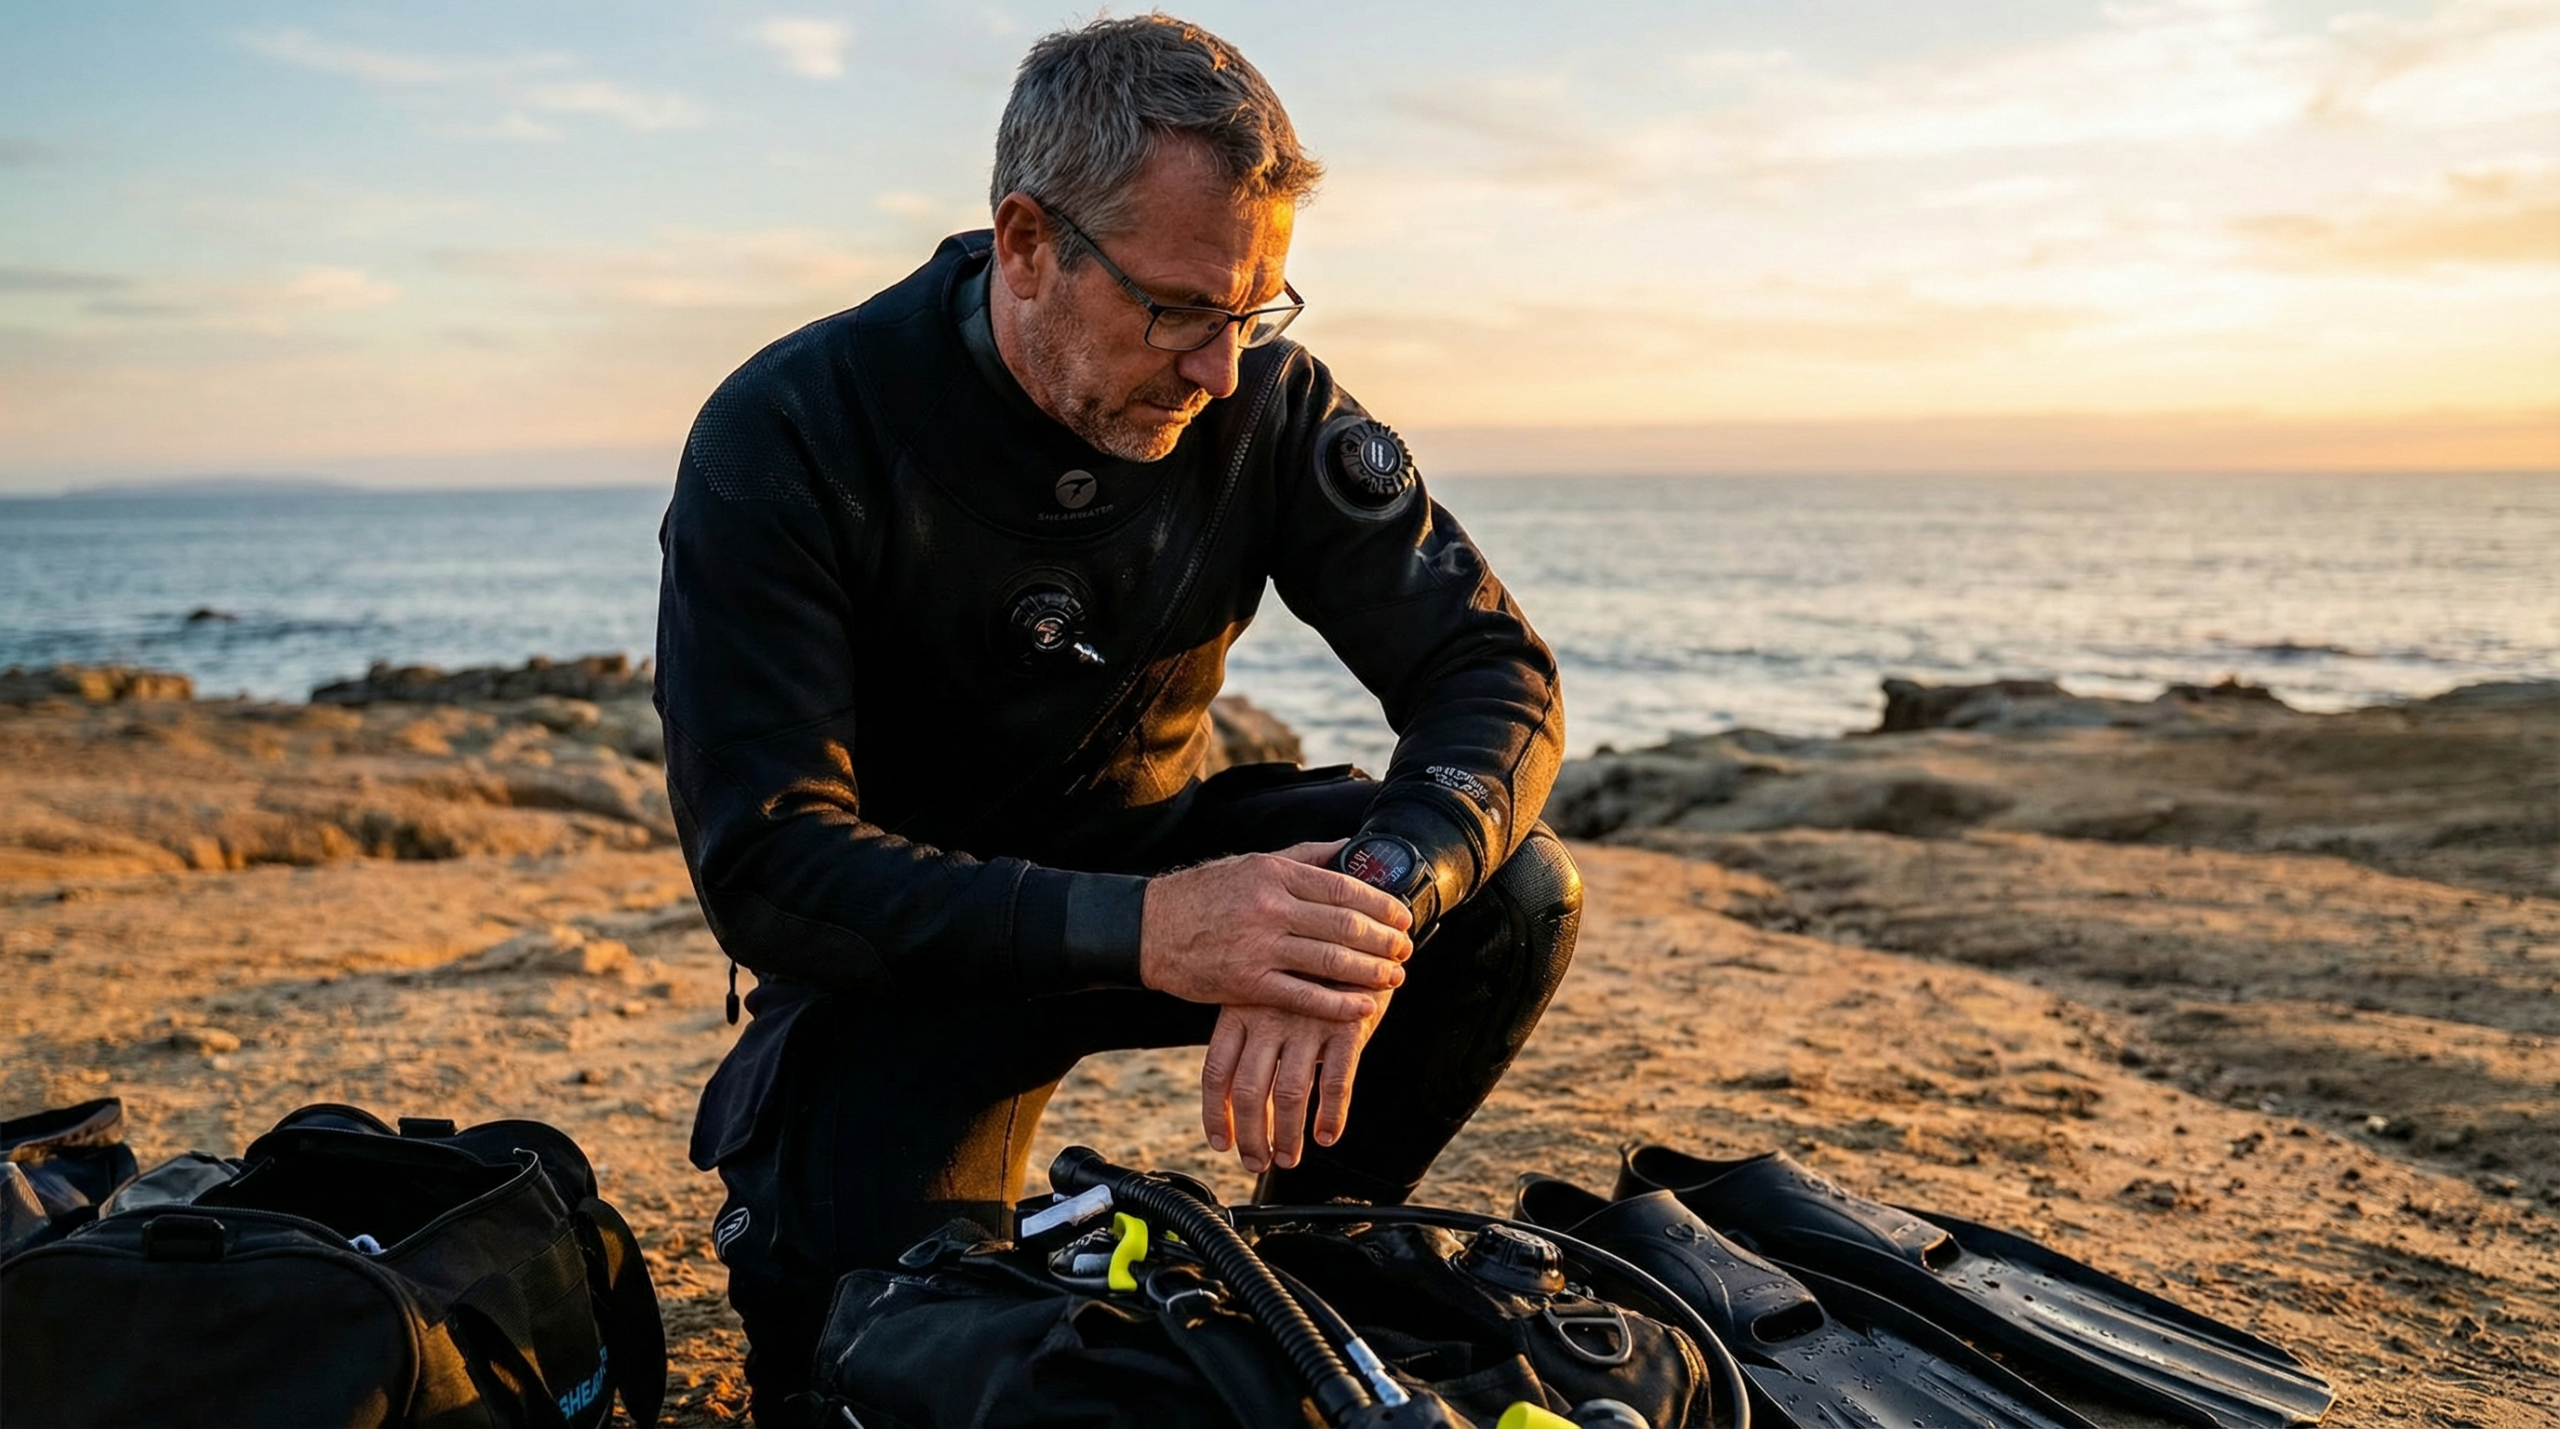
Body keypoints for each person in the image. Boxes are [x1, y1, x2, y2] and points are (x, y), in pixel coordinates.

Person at [654, 15, 1578, 1421]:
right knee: (865, 1370)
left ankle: (1294, 1273)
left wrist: (1375, 902)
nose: (1218, 368)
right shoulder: (790, 434)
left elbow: (1490, 673)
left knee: (1507, 887)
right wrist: (1158, 932)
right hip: (906, 956)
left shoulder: (1260, 399)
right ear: (1027, 242)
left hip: (1158, 857)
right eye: (1176, 311)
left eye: (1254, 310)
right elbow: (768, 862)